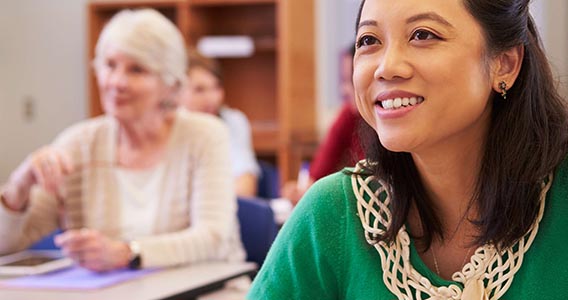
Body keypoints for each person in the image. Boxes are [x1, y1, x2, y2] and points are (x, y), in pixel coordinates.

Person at [248, 0, 568, 298]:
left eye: (423, 35)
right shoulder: (333, 212)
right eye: (369, 41)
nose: (387, 66)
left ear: (504, 63)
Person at [0, 9, 245, 272]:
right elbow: (7, 246)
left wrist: (126, 253)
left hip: (206, 288)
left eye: (136, 70)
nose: (116, 81)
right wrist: (18, 186)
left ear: (170, 85)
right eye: (110, 65)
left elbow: (213, 238)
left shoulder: (205, 135)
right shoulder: (77, 143)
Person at [281, 47, 364, 205]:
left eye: (349, 81)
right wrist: (303, 191)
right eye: (342, 80)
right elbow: (318, 174)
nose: (343, 90)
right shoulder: (348, 115)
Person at [178, 50, 260, 197]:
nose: (213, 98)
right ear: (176, 92)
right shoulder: (168, 127)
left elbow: (245, 187)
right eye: (199, 89)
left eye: (216, 87)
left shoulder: (233, 121)